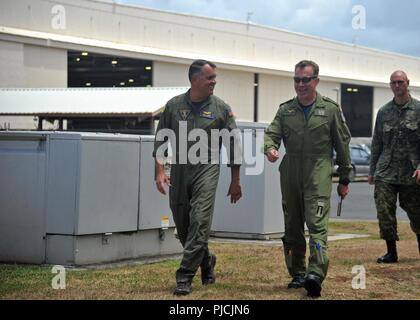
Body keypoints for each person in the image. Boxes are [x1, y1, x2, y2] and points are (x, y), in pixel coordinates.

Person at [153, 59, 242, 295]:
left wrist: (235, 180)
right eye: (210, 77)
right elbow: (161, 139)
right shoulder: (173, 106)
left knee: (200, 221)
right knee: (184, 227)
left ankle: (184, 276)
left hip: (207, 169)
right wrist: (160, 171)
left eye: (215, 78)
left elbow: (233, 145)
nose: (214, 81)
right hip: (180, 170)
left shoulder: (221, 109)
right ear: (195, 80)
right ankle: (206, 260)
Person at [264, 60, 352, 297]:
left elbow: (342, 145)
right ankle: (297, 274)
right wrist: (270, 148)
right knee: (292, 227)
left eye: (305, 80)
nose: (300, 85)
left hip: (318, 172)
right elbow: (271, 134)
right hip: (290, 172)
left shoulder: (330, 110)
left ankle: (315, 274)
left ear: (316, 81)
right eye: (297, 80)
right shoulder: (285, 110)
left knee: (316, 225)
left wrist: (345, 177)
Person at [368, 70, 420, 263]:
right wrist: (372, 171)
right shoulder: (383, 112)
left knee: (417, 212)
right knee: (384, 210)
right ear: (390, 85)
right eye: (393, 83)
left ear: (408, 83)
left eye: (400, 82)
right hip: (386, 171)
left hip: (411, 171)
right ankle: (391, 252)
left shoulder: (418, 109)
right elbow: (376, 144)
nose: (397, 85)